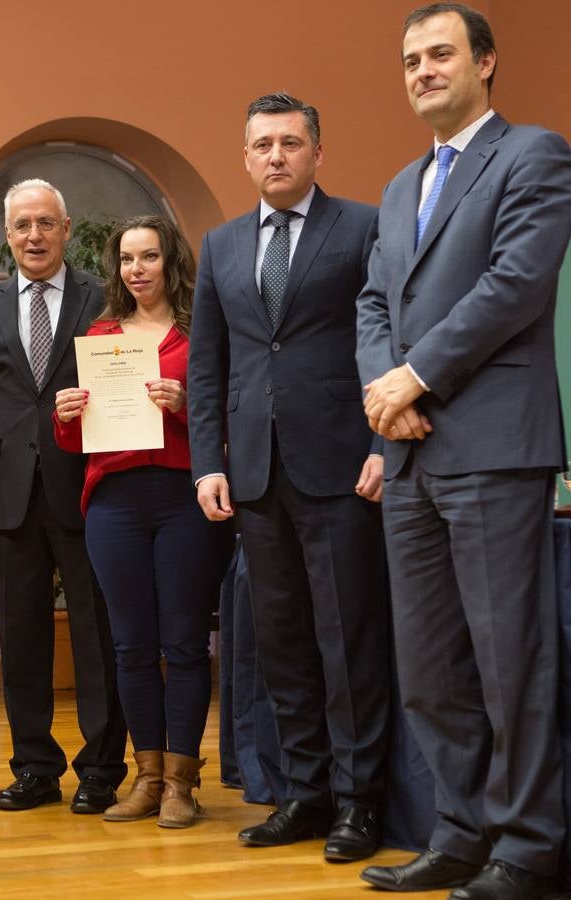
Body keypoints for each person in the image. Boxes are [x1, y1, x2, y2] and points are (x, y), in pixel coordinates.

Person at [356, 5, 571, 899]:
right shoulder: (401, 184)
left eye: (439, 53)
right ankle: (458, 832)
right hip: (408, 455)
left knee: (506, 660)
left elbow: (514, 285)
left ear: (485, 62)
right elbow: (373, 302)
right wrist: (384, 391)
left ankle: (527, 848)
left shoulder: (533, 155)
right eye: (409, 59)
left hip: (491, 447)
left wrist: (416, 377)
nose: (421, 70)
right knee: (430, 667)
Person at [187, 93, 389, 861]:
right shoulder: (223, 245)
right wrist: (209, 462)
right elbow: (208, 366)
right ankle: (304, 795)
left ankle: (357, 804)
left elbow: (386, 337)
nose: (276, 155)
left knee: (347, 645)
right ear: (244, 157)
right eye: (262, 144)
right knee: (281, 646)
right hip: (255, 479)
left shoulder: (362, 227)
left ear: (316, 154)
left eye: (291, 143)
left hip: (342, 469)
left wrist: (381, 443)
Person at [0, 178, 127, 813]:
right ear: (8, 234)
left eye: (45, 223)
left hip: (87, 490)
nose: (34, 236)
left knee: (97, 634)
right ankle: (35, 768)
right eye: (22, 225)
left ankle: (102, 768)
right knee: (21, 638)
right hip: (7, 496)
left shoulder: (105, 300)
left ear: (67, 229)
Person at [54, 215, 235, 828]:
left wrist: (185, 408)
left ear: (171, 262)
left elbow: (225, 418)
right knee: (129, 647)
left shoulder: (199, 334)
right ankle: (146, 777)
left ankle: (182, 784)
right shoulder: (103, 337)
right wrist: (66, 412)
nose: (137, 269)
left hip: (184, 498)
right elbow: (80, 439)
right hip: (114, 504)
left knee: (184, 644)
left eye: (150, 257)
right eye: (128, 259)